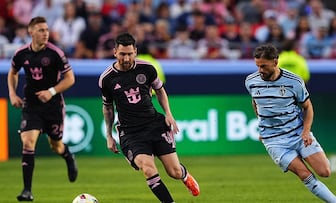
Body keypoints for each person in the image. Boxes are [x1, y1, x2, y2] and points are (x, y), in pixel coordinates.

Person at [98, 32, 200, 203]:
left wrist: (168, 113)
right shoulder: (106, 79)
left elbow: (160, 90)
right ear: (115, 52)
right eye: (122, 54)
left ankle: (184, 176)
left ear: (135, 52)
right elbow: (107, 108)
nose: (126, 58)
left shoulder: (147, 68)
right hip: (131, 133)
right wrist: (109, 135)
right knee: (148, 168)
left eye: (130, 54)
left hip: (154, 124)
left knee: (173, 172)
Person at [245, 44, 336, 203]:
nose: (260, 70)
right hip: (274, 141)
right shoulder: (251, 81)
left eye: (263, 66)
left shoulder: (294, 81)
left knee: (324, 172)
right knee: (305, 174)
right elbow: (255, 102)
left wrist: (306, 131)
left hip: (298, 133)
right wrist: (262, 125)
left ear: (275, 62)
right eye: (257, 66)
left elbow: (308, 106)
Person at [7, 16, 77, 202]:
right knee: (28, 142)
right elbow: (12, 72)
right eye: (41, 30)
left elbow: (70, 78)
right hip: (31, 105)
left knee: (56, 145)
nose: (45, 33)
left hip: (53, 106)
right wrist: (13, 94)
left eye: (46, 30)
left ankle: (68, 155)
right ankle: (27, 191)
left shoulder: (56, 53)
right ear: (31, 32)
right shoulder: (21, 54)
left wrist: (51, 91)